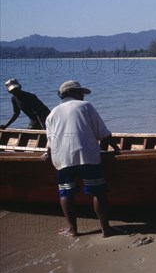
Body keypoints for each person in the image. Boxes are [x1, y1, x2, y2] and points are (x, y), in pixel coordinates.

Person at [44, 80, 121, 238]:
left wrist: (46, 155)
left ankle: (72, 230)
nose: (83, 96)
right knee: (98, 192)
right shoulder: (85, 107)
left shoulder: (52, 113)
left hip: (61, 157)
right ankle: (106, 229)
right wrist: (117, 150)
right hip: (86, 155)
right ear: (72, 93)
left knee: (66, 193)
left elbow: (50, 142)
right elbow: (103, 134)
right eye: (80, 93)